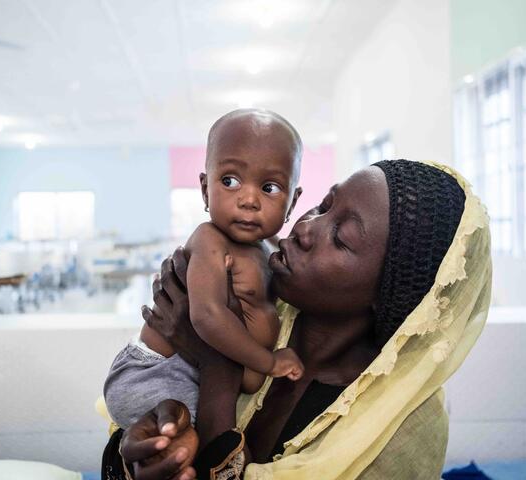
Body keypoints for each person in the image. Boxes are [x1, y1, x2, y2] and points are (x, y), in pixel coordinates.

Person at [102, 159, 492, 480]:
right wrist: (144, 456)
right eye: (323, 206)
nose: (305, 228)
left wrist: (216, 362)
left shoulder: (398, 429)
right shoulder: (249, 307)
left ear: (389, 295)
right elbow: (148, 406)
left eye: (342, 238)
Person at [104, 109, 305, 431]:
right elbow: (207, 316)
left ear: (292, 204)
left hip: (201, 376)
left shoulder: (272, 249)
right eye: (230, 181)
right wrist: (268, 363)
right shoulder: (210, 240)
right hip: (156, 373)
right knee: (190, 435)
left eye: (269, 188)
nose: (249, 199)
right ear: (205, 189)